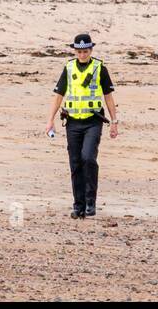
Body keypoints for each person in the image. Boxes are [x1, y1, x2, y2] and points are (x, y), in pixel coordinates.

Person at [45, 33, 119, 219]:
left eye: (85, 51)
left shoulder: (99, 68)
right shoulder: (69, 68)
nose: (82, 55)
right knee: (75, 163)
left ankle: (90, 202)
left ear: (91, 50)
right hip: (72, 123)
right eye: (79, 51)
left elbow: (108, 96)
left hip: (93, 121)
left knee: (88, 158)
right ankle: (78, 205)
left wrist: (114, 121)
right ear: (75, 51)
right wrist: (50, 120)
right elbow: (59, 95)